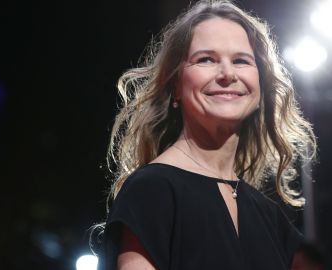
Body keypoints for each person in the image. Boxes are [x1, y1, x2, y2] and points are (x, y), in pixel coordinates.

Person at [94, 0, 316, 269]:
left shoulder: (269, 215)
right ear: (175, 85)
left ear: (260, 86)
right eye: (206, 59)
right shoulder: (151, 191)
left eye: (241, 60)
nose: (227, 74)